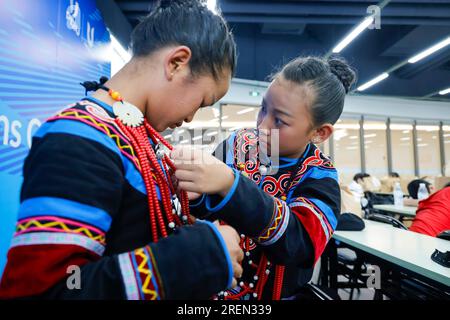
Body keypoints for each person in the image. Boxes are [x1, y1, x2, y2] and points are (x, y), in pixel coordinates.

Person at [0, 0, 244, 300]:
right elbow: (51, 290)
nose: (193, 117)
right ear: (177, 62)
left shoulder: (135, 136)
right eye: (203, 101)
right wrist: (202, 253)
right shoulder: (79, 139)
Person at [172, 56, 356, 299]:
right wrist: (194, 193)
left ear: (319, 132)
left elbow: (299, 243)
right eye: (263, 109)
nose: (262, 126)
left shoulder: (319, 176)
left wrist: (232, 184)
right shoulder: (238, 144)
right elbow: (207, 209)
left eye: (279, 120)